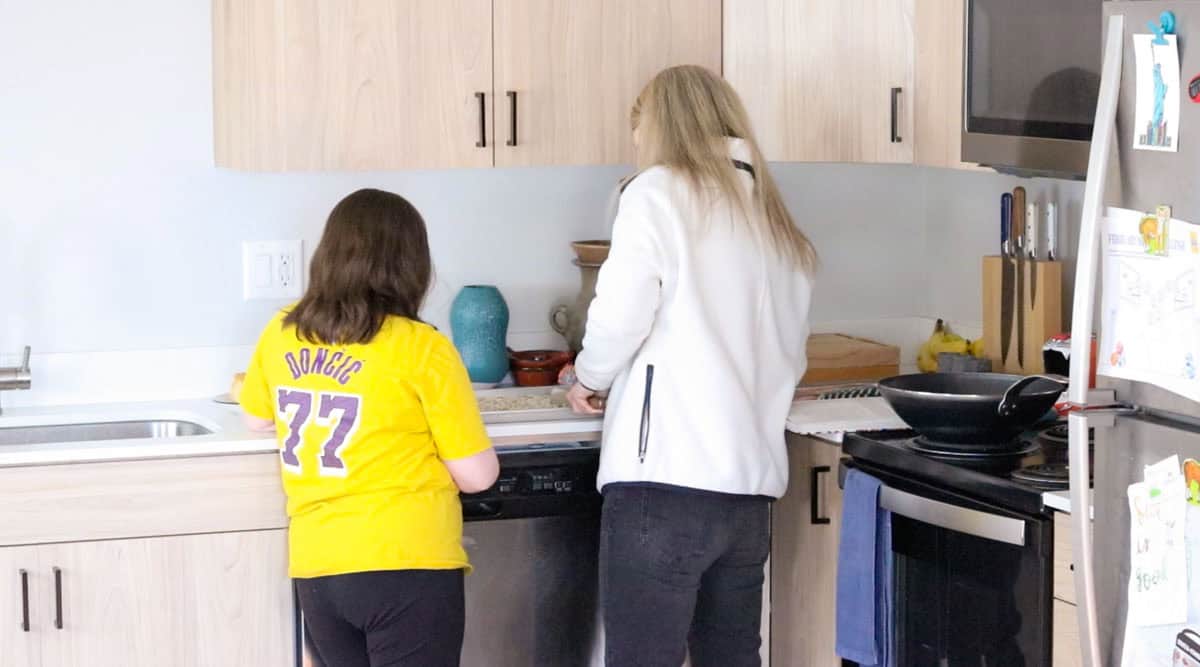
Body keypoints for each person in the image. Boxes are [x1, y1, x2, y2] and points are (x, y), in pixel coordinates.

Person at [565, 65, 816, 667]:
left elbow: (621, 313)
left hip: (666, 484)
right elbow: (789, 350)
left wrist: (589, 378)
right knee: (732, 657)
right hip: (748, 494)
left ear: (661, 128)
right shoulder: (773, 215)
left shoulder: (656, 193)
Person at [239, 188, 499, 667]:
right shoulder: (423, 347)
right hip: (407, 562)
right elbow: (478, 476)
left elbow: (257, 418)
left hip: (318, 568)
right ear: (412, 266)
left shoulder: (282, 333)